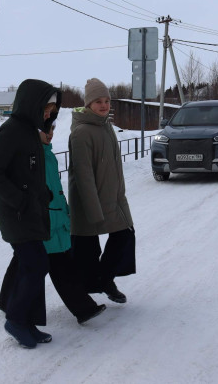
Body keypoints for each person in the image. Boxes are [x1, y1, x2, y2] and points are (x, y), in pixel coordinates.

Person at [0, 121, 107, 325]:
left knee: (22, 261)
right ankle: (83, 308)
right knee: (60, 265)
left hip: (52, 217)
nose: (50, 134)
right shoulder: (34, 156)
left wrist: (64, 211)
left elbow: (54, 188)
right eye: (45, 129)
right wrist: (54, 215)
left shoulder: (47, 153)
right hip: (44, 220)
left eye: (53, 129)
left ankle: (6, 301)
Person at [0, 79, 60, 349]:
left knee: (32, 265)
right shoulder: (12, 131)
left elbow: (27, 172)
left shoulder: (29, 131)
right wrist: (21, 201)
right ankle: (16, 320)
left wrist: (42, 195)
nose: (49, 113)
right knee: (35, 265)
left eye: (52, 108)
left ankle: (26, 321)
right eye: (46, 108)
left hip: (29, 210)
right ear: (32, 104)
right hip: (16, 213)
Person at [68, 78, 136, 304]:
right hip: (91, 202)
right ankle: (85, 293)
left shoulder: (106, 126)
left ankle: (105, 280)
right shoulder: (81, 132)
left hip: (113, 199)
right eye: (98, 101)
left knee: (125, 235)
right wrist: (94, 211)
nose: (104, 105)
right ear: (88, 104)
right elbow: (83, 176)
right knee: (86, 252)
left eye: (106, 100)